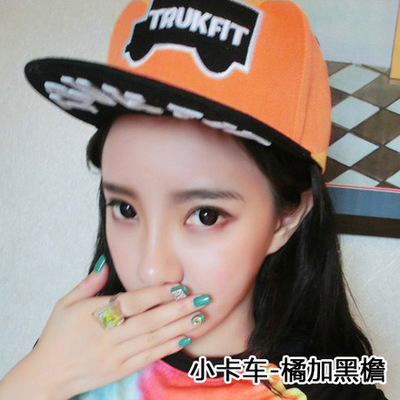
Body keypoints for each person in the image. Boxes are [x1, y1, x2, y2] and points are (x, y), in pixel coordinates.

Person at [0, 0, 389, 399]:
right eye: (126, 209)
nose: (151, 269)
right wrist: (38, 378)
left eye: (205, 215)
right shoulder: (76, 352)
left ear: (285, 219)